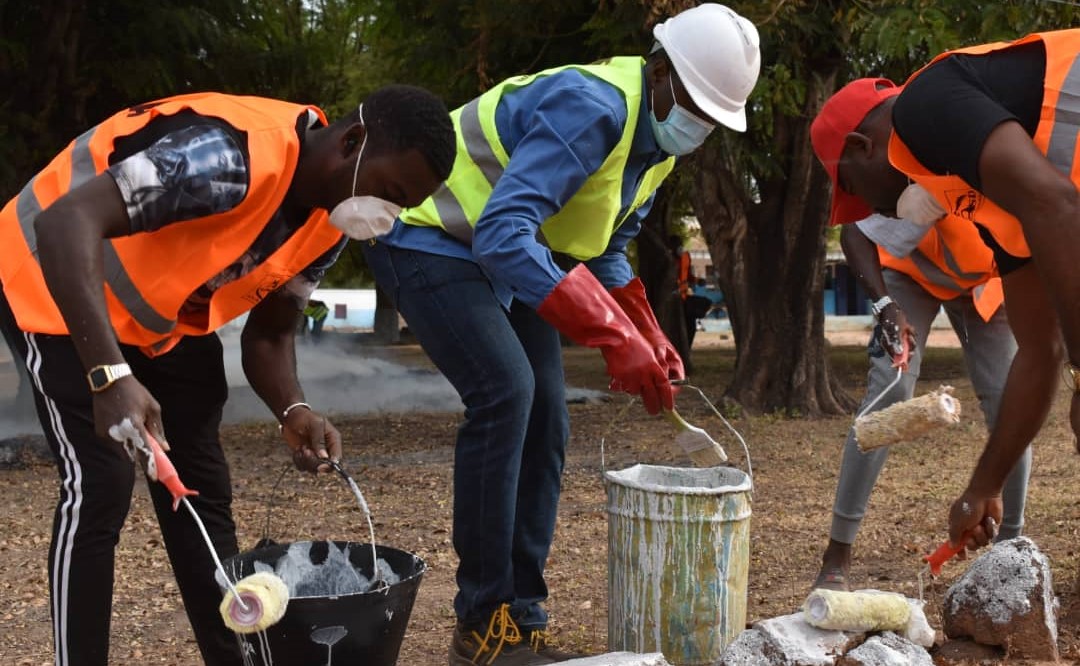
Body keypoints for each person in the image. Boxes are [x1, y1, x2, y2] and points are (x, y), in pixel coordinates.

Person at [0, 86, 454, 666]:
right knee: (102, 484)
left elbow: (270, 335)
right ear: (353, 142)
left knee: (202, 482)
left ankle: (234, 657)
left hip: (163, 322)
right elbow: (65, 224)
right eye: (390, 194)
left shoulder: (328, 224)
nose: (386, 216)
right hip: (54, 282)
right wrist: (110, 376)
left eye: (400, 206)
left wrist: (294, 409)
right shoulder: (227, 158)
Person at [362, 4, 760, 664]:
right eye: (695, 106)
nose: (700, 127)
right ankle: (482, 624)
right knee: (506, 392)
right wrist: (610, 335)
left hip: (505, 257)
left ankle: (522, 614)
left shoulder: (655, 148)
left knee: (549, 415)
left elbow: (605, 245)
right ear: (659, 73)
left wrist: (645, 329)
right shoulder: (594, 106)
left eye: (713, 120)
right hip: (426, 232)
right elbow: (501, 230)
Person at [809, 29, 1080, 558]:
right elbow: (1039, 352)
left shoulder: (924, 105)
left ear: (862, 148)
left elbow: (1057, 203)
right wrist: (983, 487)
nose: (867, 210)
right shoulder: (983, 201)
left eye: (854, 190)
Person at [807, 98, 1032, 586]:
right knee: (892, 391)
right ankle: (837, 555)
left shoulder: (1015, 161)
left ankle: (1014, 553)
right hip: (913, 278)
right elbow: (858, 235)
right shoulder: (923, 159)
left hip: (985, 285)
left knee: (1011, 399)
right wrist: (886, 307)